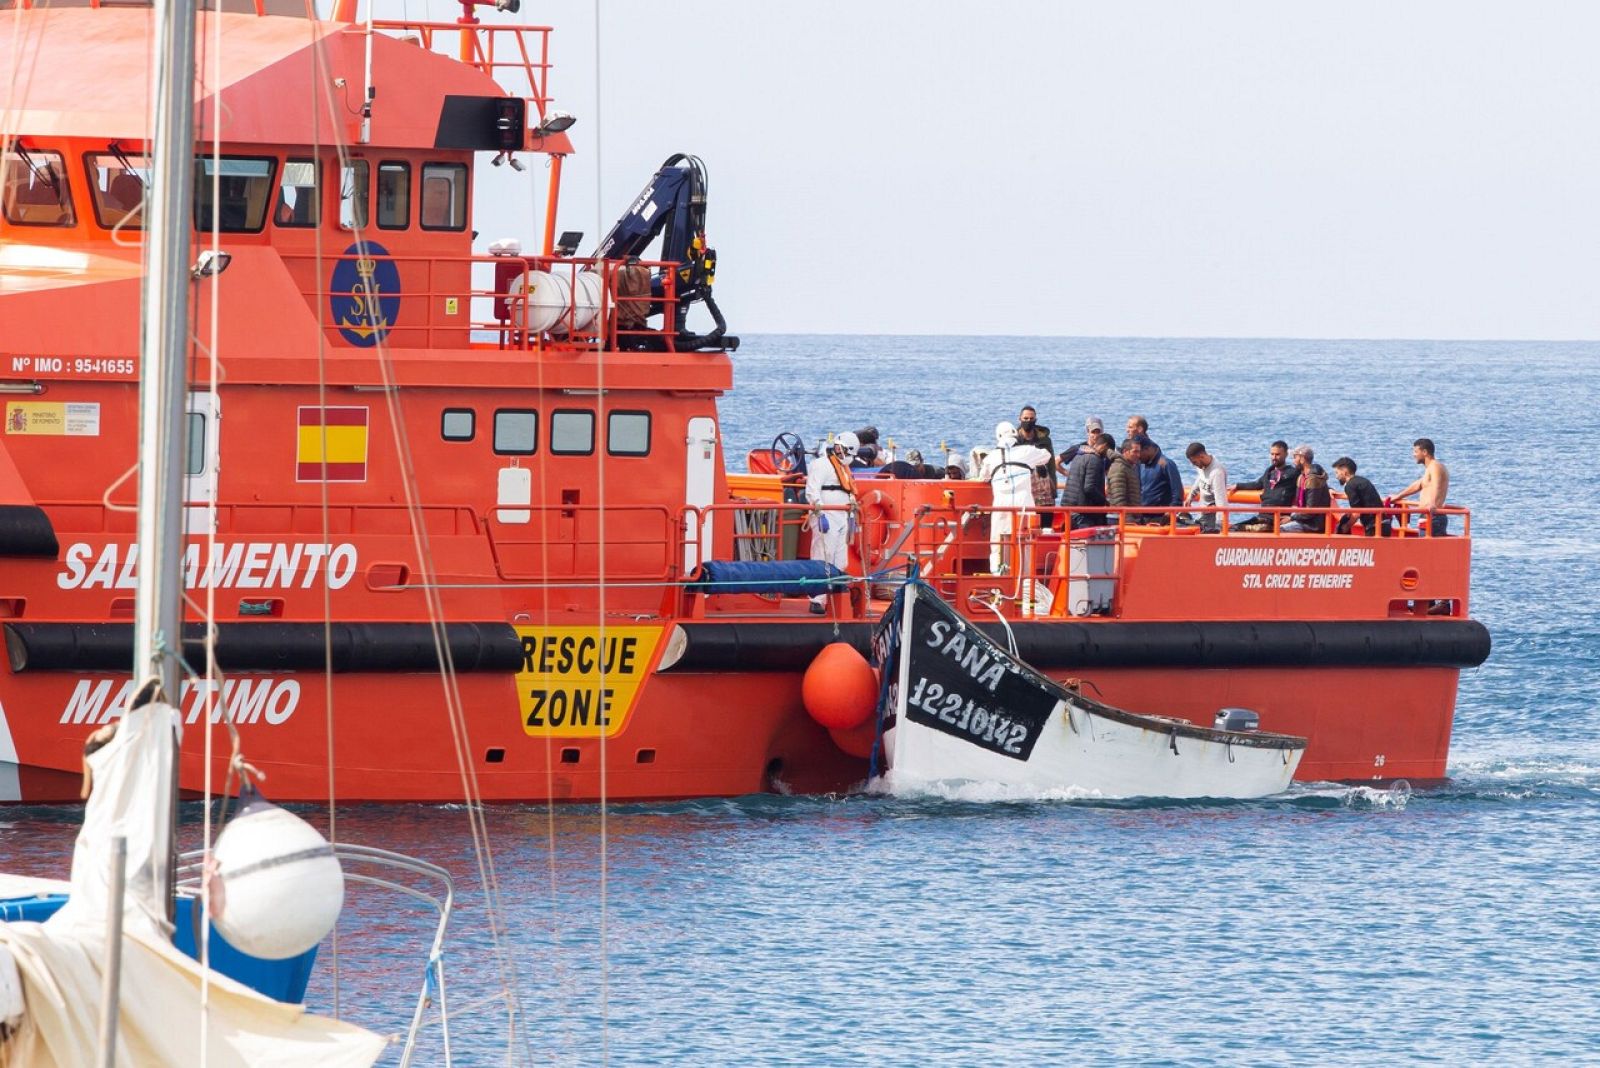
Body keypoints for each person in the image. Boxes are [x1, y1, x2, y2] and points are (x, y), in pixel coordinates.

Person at [978, 420, 1051, 573]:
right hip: (1024, 502)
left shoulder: (991, 457)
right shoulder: (1027, 451)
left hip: (1001, 504)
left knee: (998, 543)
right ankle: (1025, 579)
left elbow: (983, 477)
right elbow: (1046, 456)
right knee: (1025, 541)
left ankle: (998, 578)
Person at [804, 431, 859, 613]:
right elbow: (812, 490)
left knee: (840, 558)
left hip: (843, 515)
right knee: (822, 555)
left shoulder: (843, 469)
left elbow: (847, 490)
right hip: (826, 515)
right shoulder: (821, 465)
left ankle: (836, 595)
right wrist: (819, 512)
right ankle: (817, 599)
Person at [1231, 440, 1300, 531]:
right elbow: (1257, 484)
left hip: (1278, 517)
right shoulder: (1269, 472)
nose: (1274, 457)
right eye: (1272, 454)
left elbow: (1306, 483)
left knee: (1260, 528)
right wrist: (1238, 485)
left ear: (1286, 454)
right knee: (1233, 528)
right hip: (1263, 515)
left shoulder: (1293, 473)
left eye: (1277, 454)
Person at [1393, 438, 1451, 536]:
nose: (1413, 455)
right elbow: (1418, 485)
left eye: (1416, 451)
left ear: (1424, 452)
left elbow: (1437, 485)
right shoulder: (1429, 469)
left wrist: (1432, 503)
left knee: (1430, 549)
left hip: (1433, 516)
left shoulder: (1435, 466)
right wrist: (1398, 496)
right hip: (1427, 515)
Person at [1015, 405, 1056, 529]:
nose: (1028, 421)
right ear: (1019, 419)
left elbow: (1052, 464)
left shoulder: (1045, 440)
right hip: (1022, 487)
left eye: (1031, 419)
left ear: (1035, 420)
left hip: (1043, 488)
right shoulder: (1014, 440)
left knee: (1045, 525)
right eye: (1025, 418)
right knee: (1024, 525)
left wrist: (1053, 486)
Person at [1059, 432, 1112, 528]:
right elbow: (1089, 488)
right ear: (1104, 446)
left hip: (1069, 506)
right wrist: (1104, 502)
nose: (1107, 456)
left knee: (1072, 540)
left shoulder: (1079, 456)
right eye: (1109, 451)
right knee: (1085, 541)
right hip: (1083, 510)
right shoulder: (1094, 460)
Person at [1331, 457, 1388, 536]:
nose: (1336, 476)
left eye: (1337, 473)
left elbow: (1356, 513)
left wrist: (1347, 526)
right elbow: (1360, 497)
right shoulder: (1362, 480)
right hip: (1384, 523)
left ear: (1345, 472)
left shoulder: (1350, 486)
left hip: (1374, 526)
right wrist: (1336, 494)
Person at [1136, 434, 1181, 522]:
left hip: (1161, 516)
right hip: (1142, 514)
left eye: (1139, 452)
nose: (1137, 456)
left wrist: (1171, 510)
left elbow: (1177, 491)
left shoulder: (1166, 464)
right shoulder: (1140, 465)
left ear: (1147, 449)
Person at [1183, 443, 1228, 532]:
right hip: (1202, 514)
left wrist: (1220, 525)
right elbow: (1200, 478)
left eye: (1194, 462)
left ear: (1201, 456)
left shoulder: (1217, 473)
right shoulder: (1201, 466)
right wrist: (1190, 496)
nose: (1193, 465)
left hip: (1211, 519)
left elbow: (1221, 500)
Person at [1282, 463, 1333, 532]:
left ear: (1302, 459)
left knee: (1280, 529)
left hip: (1312, 524)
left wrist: (1292, 518)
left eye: (1295, 457)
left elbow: (1310, 511)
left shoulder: (1313, 481)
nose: (1293, 461)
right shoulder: (1302, 478)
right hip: (1303, 518)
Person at [1106, 437, 1142, 523]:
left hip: (1128, 516)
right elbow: (1119, 497)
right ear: (1126, 451)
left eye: (1139, 452)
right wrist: (1128, 519)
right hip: (1119, 518)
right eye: (1135, 452)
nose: (1138, 455)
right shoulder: (1119, 468)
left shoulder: (1128, 468)